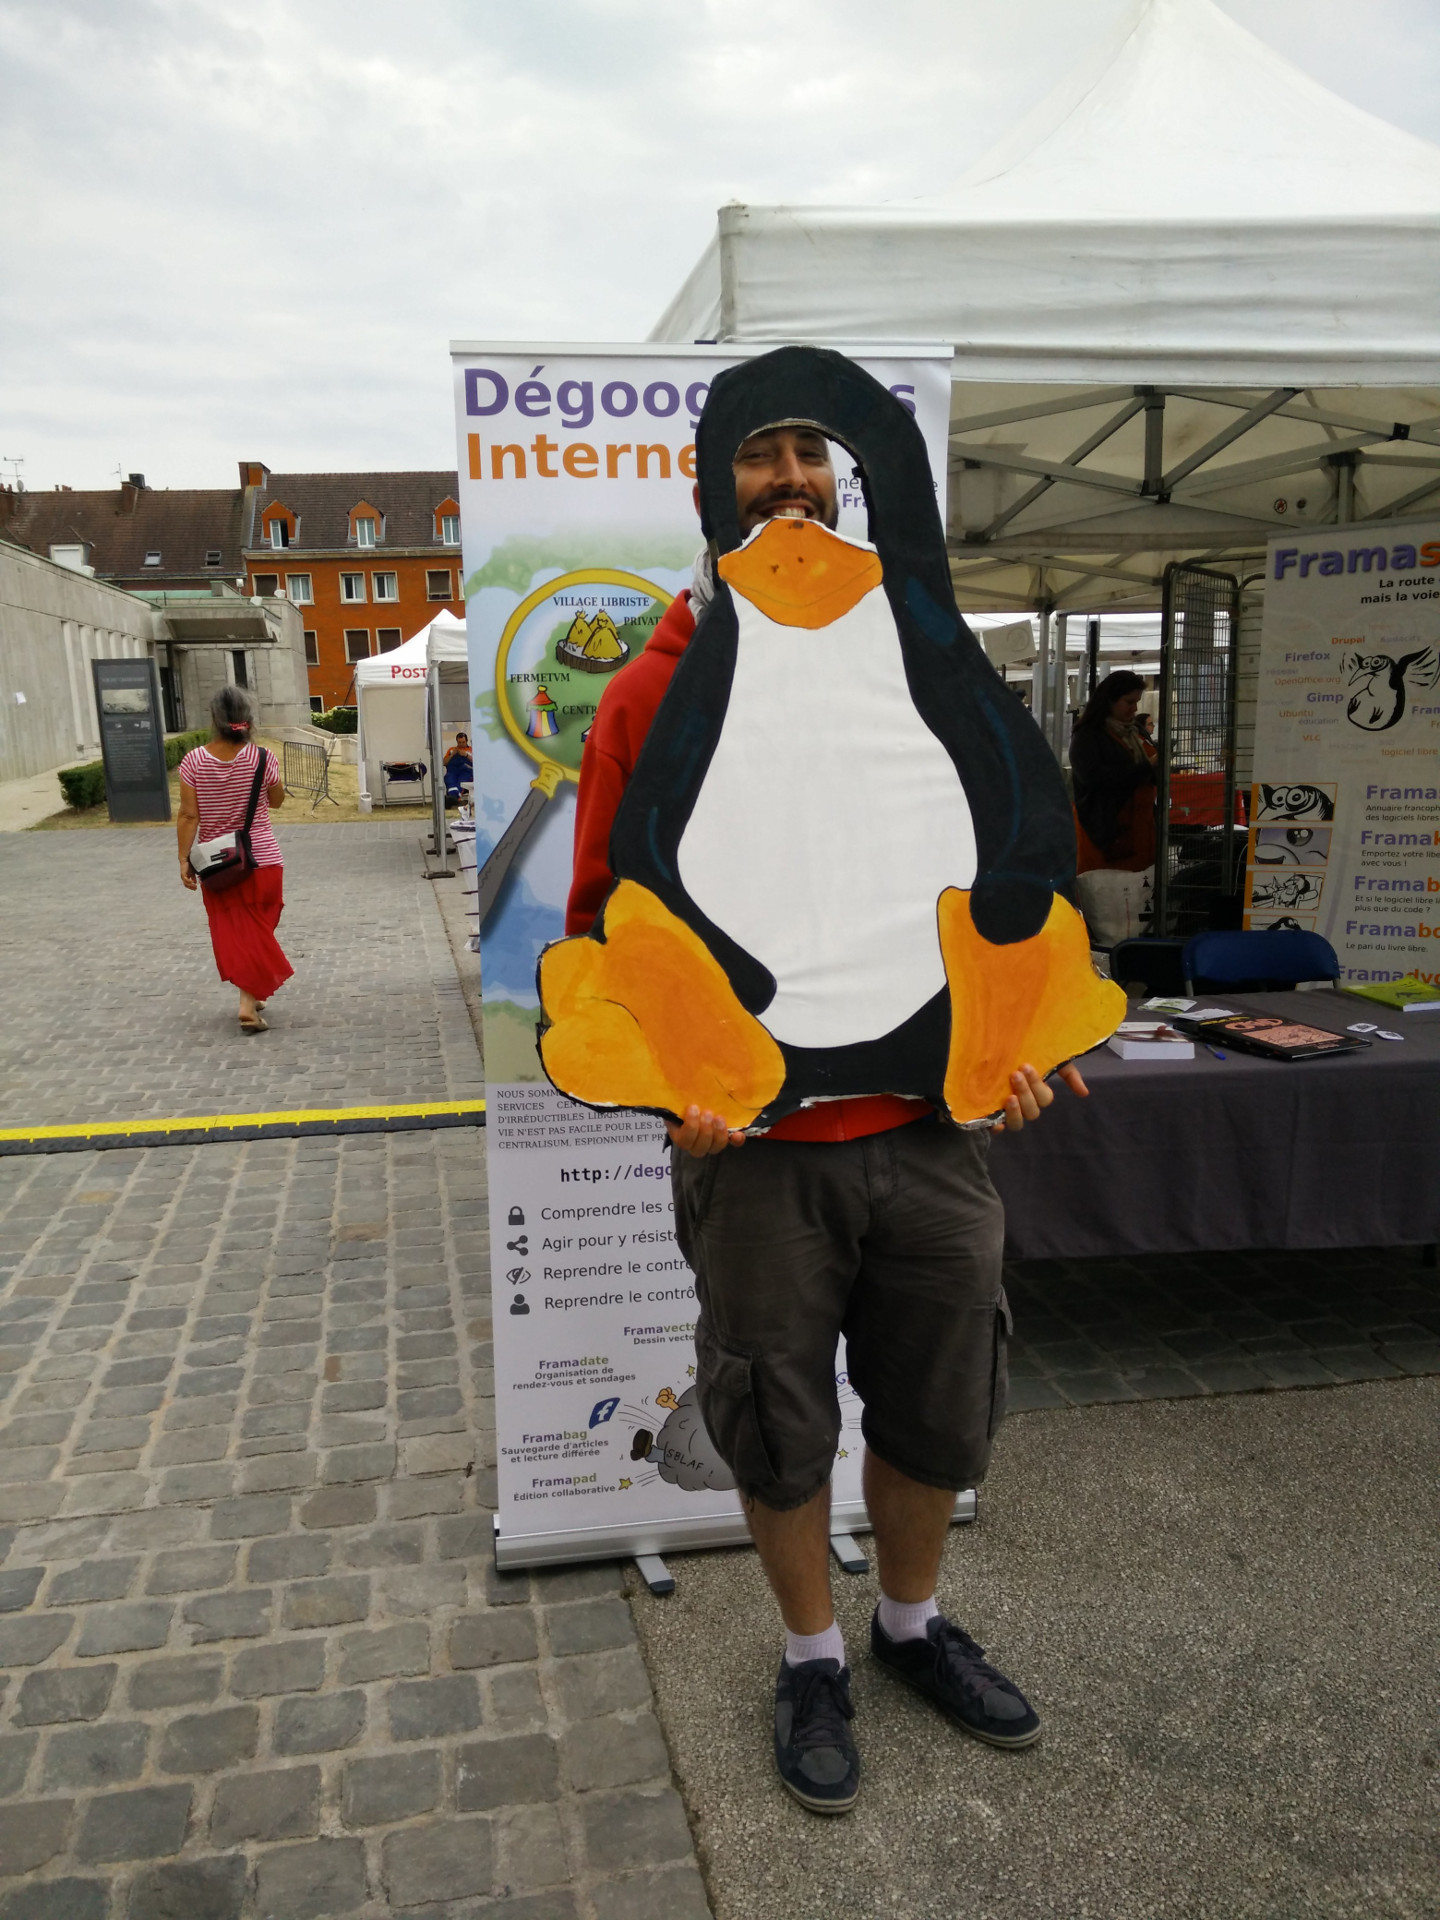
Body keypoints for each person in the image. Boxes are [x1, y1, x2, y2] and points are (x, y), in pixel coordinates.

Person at [568, 416, 1086, 1815]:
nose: (789, 478)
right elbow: (604, 932)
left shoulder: (920, 671)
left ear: (847, 482)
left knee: (935, 1406)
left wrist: (1028, 1033)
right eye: (759, 454)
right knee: (778, 1420)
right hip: (758, 1162)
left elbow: (1000, 880)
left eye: (812, 452)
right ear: (712, 483)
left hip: (927, 1138)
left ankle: (910, 1627)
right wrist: (671, 1080)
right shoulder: (650, 695)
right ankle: (810, 1660)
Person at [177, 687, 292, 1034]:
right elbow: (277, 801)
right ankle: (248, 1002)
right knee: (259, 927)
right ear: (248, 719)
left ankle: (250, 994)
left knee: (236, 930)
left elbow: (188, 815)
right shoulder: (263, 758)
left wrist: (183, 858)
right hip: (262, 860)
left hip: (217, 865)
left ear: (215, 719)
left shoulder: (193, 761)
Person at [1070, 670, 1158, 873]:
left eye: (1137, 702)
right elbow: (1094, 778)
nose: (1135, 709)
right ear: (1110, 700)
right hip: (1106, 835)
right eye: (1129, 702)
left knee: (1140, 888)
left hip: (1139, 832)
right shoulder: (1087, 736)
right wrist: (1147, 766)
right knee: (1109, 888)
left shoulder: (1135, 733)